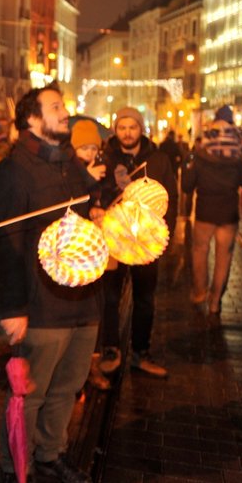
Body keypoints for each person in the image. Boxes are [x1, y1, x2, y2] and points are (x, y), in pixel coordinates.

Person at [0, 86, 98, 483]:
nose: (65, 112)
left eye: (64, 106)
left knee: (67, 387)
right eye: (56, 107)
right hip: (40, 306)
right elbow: (6, 242)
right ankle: (14, 465)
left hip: (84, 301)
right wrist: (12, 308)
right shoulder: (13, 170)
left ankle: (51, 454)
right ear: (32, 120)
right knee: (30, 394)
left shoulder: (70, 166)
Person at [98, 107, 176, 378]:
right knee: (109, 295)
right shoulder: (105, 157)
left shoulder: (158, 159)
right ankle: (110, 347)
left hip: (145, 240)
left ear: (140, 128)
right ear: (115, 129)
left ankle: (141, 352)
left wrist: (166, 236)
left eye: (132, 127)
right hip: (114, 237)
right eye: (122, 127)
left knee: (144, 298)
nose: (127, 132)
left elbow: (170, 198)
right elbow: (94, 192)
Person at [182, 119, 242, 316]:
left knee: (199, 251)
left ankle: (199, 292)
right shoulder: (237, 161)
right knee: (224, 257)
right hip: (228, 214)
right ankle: (215, 301)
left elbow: (186, 187)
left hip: (205, 212)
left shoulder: (199, 157)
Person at [70, 118, 109, 392]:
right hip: (73, 250)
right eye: (83, 148)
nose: (89, 154)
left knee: (95, 308)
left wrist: (99, 207)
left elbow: (97, 201)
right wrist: (87, 179)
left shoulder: (97, 170)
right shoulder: (70, 171)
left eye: (93, 148)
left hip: (93, 247)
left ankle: (91, 366)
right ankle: (75, 372)